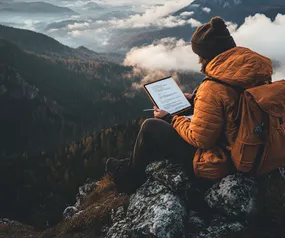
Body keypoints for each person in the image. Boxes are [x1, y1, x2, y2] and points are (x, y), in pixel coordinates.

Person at [106, 16, 274, 193]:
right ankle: (133, 162)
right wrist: (197, 100)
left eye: (200, 55)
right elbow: (232, 105)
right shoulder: (252, 72)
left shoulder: (214, 87)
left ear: (208, 54)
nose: (199, 60)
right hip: (253, 147)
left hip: (222, 159)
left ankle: (130, 178)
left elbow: (200, 139)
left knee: (150, 127)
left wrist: (170, 118)